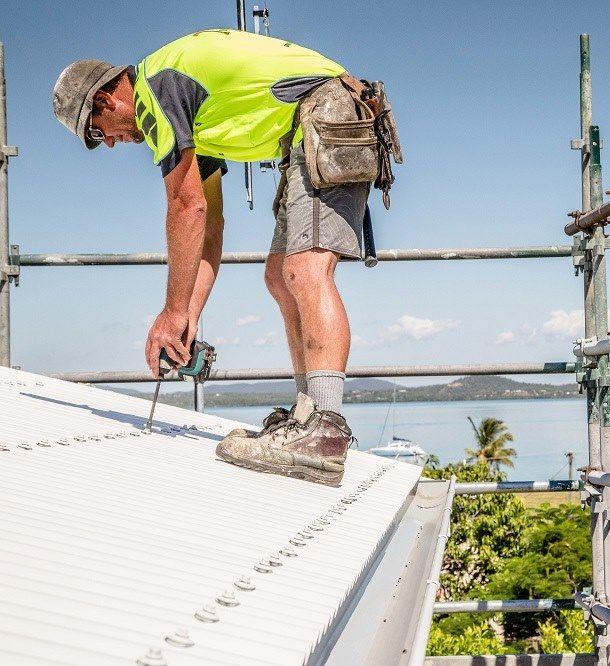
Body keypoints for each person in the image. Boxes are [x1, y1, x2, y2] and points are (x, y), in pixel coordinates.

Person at [52, 29, 385, 486]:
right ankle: (308, 416)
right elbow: (209, 226)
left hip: (328, 112)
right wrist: (186, 315)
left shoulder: (159, 90)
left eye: (95, 133)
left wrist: (170, 312)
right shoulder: (186, 118)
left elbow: (186, 208)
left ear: (105, 99)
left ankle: (325, 431)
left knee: (304, 268)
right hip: (309, 130)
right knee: (278, 276)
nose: (107, 143)